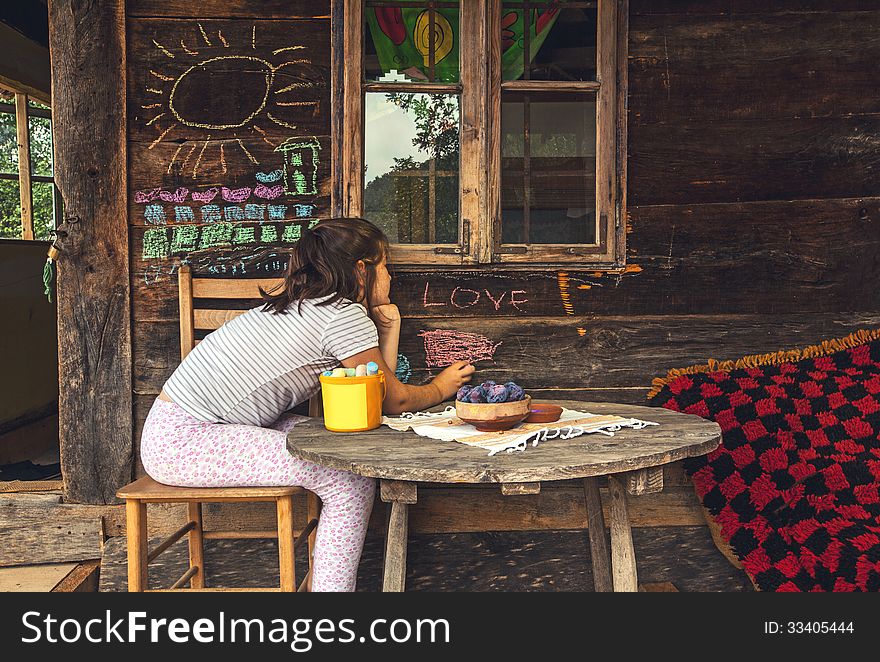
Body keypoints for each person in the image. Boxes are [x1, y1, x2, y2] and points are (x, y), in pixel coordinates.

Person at [139, 217, 475, 591]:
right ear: (361, 270)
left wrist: (388, 328)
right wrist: (441, 387)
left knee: (332, 440)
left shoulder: (303, 304)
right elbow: (392, 400)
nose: (391, 277)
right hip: (186, 441)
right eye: (386, 266)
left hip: (182, 430)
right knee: (348, 475)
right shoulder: (343, 316)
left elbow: (374, 394)